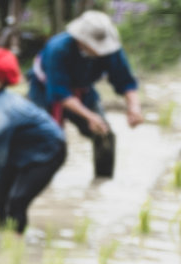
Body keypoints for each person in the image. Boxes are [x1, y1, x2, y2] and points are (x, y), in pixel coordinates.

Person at [0, 46, 67, 234]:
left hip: (47, 151)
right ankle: (5, 239)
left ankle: (15, 246)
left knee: (16, 200)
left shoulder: (0, 115)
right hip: (16, 147)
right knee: (0, 194)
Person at [27, 10, 142, 179]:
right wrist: (89, 116)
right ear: (81, 41)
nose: (101, 50)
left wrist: (134, 107)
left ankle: (102, 181)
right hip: (45, 91)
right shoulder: (58, 48)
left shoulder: (111, 51)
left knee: (104, 133)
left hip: (83, 91)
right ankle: (35, 181)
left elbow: (125, 80)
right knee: (42, 138)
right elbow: (60, 93)